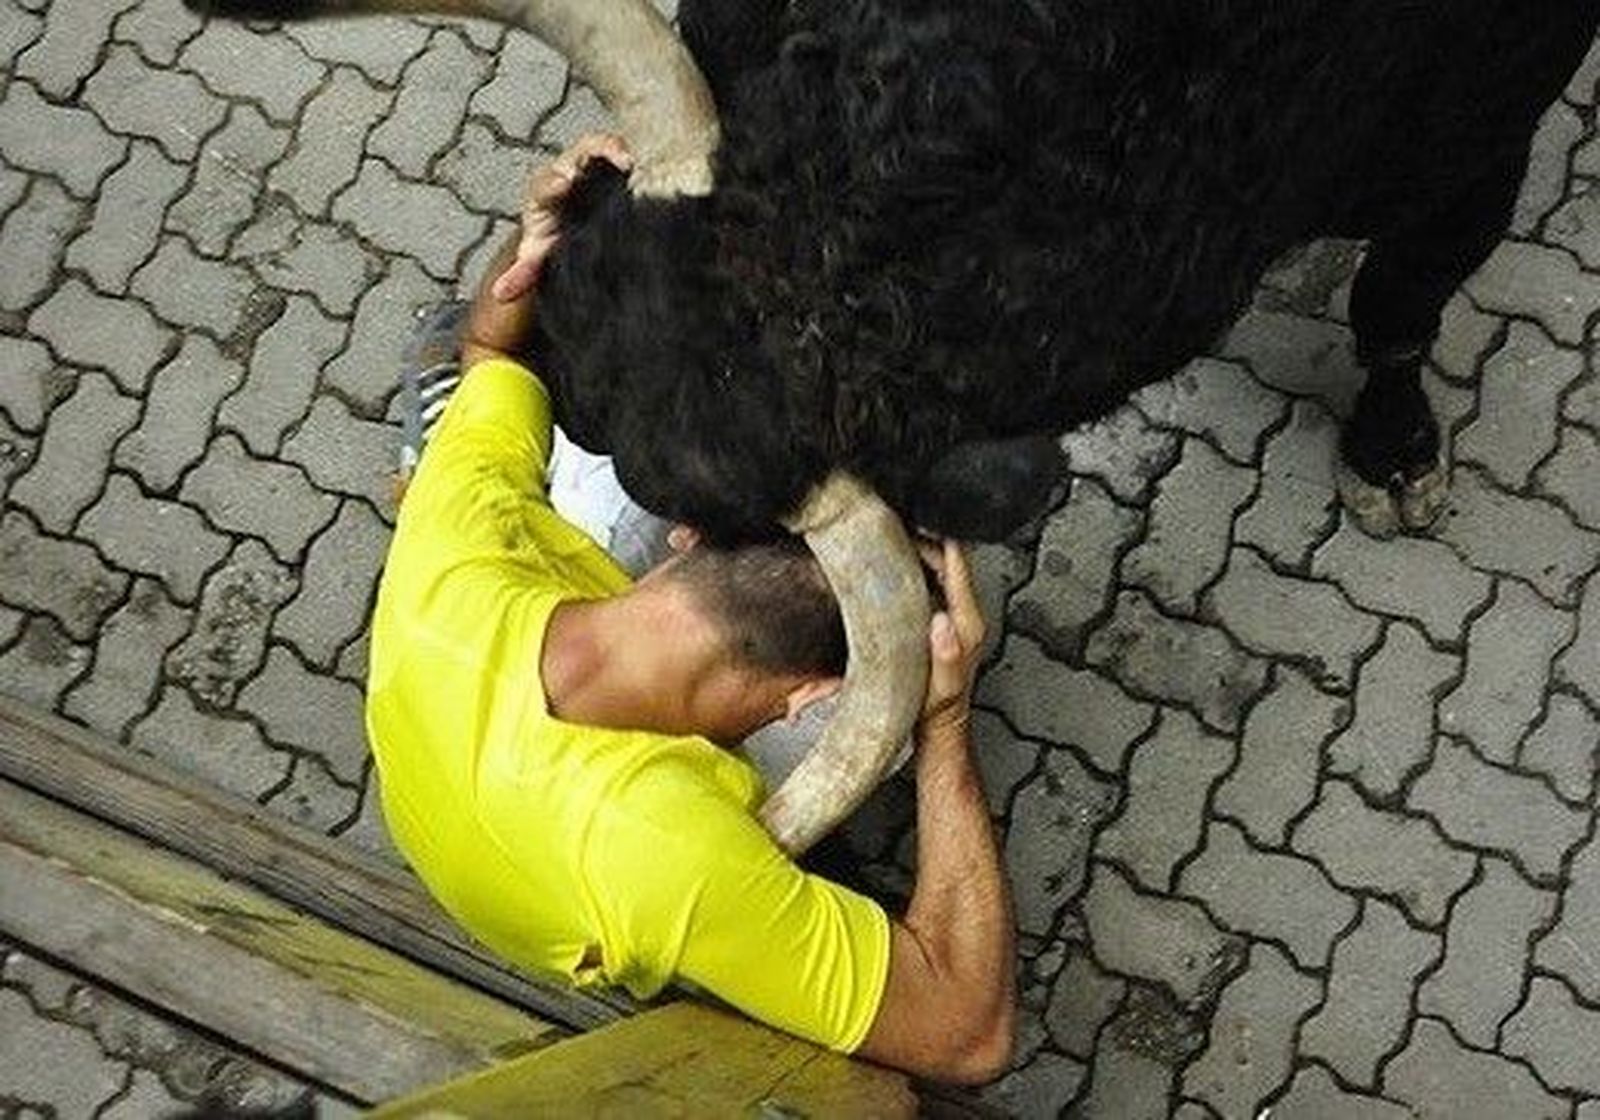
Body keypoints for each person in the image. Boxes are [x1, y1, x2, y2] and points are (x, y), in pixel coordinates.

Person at [366, 135, 1016, 1084]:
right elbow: (971, 1035)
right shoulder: (672, 856)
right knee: (904, 704)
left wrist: (532, 242)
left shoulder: (461, 542)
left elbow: (488, 338)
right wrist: (944, 714)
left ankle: (437, 433)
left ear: (686, 535)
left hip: (441, 725)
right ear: (808, 695)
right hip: (618, 876)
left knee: (534, 427)